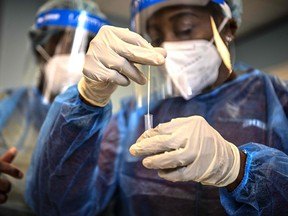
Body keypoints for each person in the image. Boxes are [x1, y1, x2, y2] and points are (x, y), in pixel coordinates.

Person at [26, 0, 288, 215]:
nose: (167, 47)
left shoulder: (276, 99)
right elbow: (57, 206)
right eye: (156, 36)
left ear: (228, 29)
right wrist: (88, 97)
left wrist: (236, 167)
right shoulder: (132, 116)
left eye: (185, 28)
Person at [0, 0, 109, 213]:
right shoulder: (5, 105)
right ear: (41, 45)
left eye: (89, 48)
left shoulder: (104, 125)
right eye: (67, 45)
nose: (79, 58)